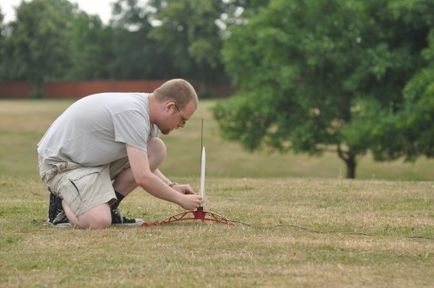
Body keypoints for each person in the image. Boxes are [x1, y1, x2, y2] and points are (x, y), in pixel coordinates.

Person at [37, 79, 203, 229]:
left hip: (92, 162)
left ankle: (109, 207)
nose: (181, 125)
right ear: (170, 107)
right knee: (99, 221)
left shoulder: (147, 116)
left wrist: (171, 186)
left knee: (156, 149)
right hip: (63, 167)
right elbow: (142, 176)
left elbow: (141, 162)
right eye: (182, 120)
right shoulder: (133, 114)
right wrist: (179, 199)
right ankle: (64, 205)